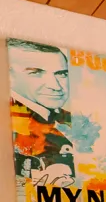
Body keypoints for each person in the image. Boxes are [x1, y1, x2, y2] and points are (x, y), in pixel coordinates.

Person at [9, 39, 74, 184]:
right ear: (9, 76)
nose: (55, 86)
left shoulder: (71, 119)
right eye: (36, 73)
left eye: (61, 74)